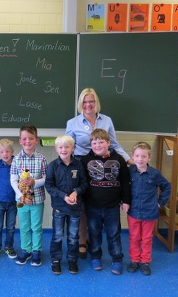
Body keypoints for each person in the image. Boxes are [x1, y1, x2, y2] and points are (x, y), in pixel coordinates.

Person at [66, 87, 133, 259]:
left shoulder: (107, 120)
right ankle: (82, 240)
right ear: (80, 103)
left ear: (96, 102)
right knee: (82, 205)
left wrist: (128, 160)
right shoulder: (72, 123)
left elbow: (114, 144)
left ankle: (93, 239)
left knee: (95, 203)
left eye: (91, 101)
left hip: (103, 166)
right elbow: (68, 147)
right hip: (82, 165)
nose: (88, 105)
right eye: (85, 102)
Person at [81, 129, 131, 275]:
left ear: (108, 143)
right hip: (92, 205)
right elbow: (83, 183)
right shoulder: (85, 160)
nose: (97, 145)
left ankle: (117, 259)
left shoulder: (119, 160)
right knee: (94, 233)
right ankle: (95, 256)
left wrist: (126, 200)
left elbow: (125, 182)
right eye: (94, 143)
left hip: (112, 206)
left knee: (113, 233)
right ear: (90, 145)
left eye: (101, 142)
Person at [45, 135, 87, 275]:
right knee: (57, 235)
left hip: (75, 208)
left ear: (73, 148)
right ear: (56, 149)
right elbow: (49, 186)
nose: (64, 149)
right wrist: (64, 196)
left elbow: (84, 184)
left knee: (73, 236)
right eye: (61, 147)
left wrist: (76, 192)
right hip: (59, 207)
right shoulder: (52, 166)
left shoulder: (78, 165)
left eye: (67, 147)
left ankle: (72, 260)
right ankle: (56, 260)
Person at [127, 142, 171, 275]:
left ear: (149, 158)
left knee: (146, 238)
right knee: (134, 237)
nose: (140, 159)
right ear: (132, 156)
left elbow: (167, 187)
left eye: (144, 156)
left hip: (150, 212)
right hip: (133, 211)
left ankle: (145, 261)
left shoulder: (154, 174)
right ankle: (134, 260)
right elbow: (124, 188)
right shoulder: (130, 172)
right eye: (137, 156)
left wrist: (160, 202)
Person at [11, 125, 47, 267]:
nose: (27, 141)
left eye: (31, 138)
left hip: (37, 200)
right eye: (24, 139)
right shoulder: (16, 159)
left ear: (36, 140)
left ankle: (36, 250)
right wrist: (21, 196)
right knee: (24, 227)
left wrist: (34, 182)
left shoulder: (41, 159)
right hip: (22, 201)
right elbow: (13, 180)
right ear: (20, 141)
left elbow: (46, 178)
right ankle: (26, 250)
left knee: (36, 227)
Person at [0, 139, 17, 259]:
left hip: (13, 201)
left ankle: (9, 247)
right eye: (2, 152)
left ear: (12, 151)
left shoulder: (17, 163)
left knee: (10, 227)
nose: (5, 154)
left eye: (7, 151)